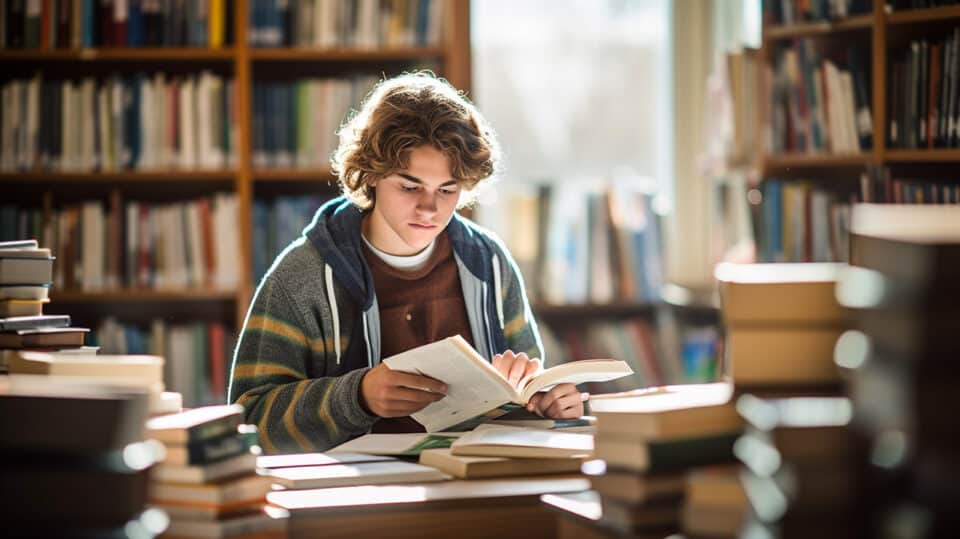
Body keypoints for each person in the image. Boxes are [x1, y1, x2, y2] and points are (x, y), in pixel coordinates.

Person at [228, 71, 584, 453]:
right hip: (355, 497)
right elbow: (248, 423)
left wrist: (549, 405)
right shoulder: (302, 277)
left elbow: (530, 393)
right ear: (371, 174)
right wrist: (358, 397)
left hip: (475, 479)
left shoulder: (489, 263)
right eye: (410, 186)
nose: (429, 208)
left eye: (447, 190)